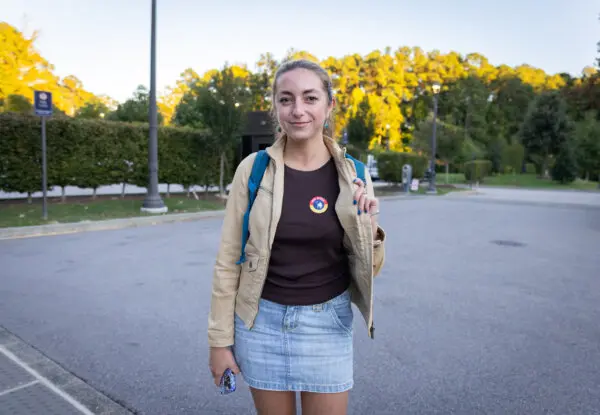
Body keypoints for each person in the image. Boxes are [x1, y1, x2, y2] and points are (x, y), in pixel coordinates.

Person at [208, 58, 386, 415]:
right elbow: (229, 261)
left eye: (310, 98)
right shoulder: (253, 170)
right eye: (286, 99)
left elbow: (370, 269)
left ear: (329, 105)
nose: (298, 110)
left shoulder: (355, 175)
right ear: (275, 106)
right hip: (261, 325)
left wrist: (370, 231)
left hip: (327, 325)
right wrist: (219, 342)